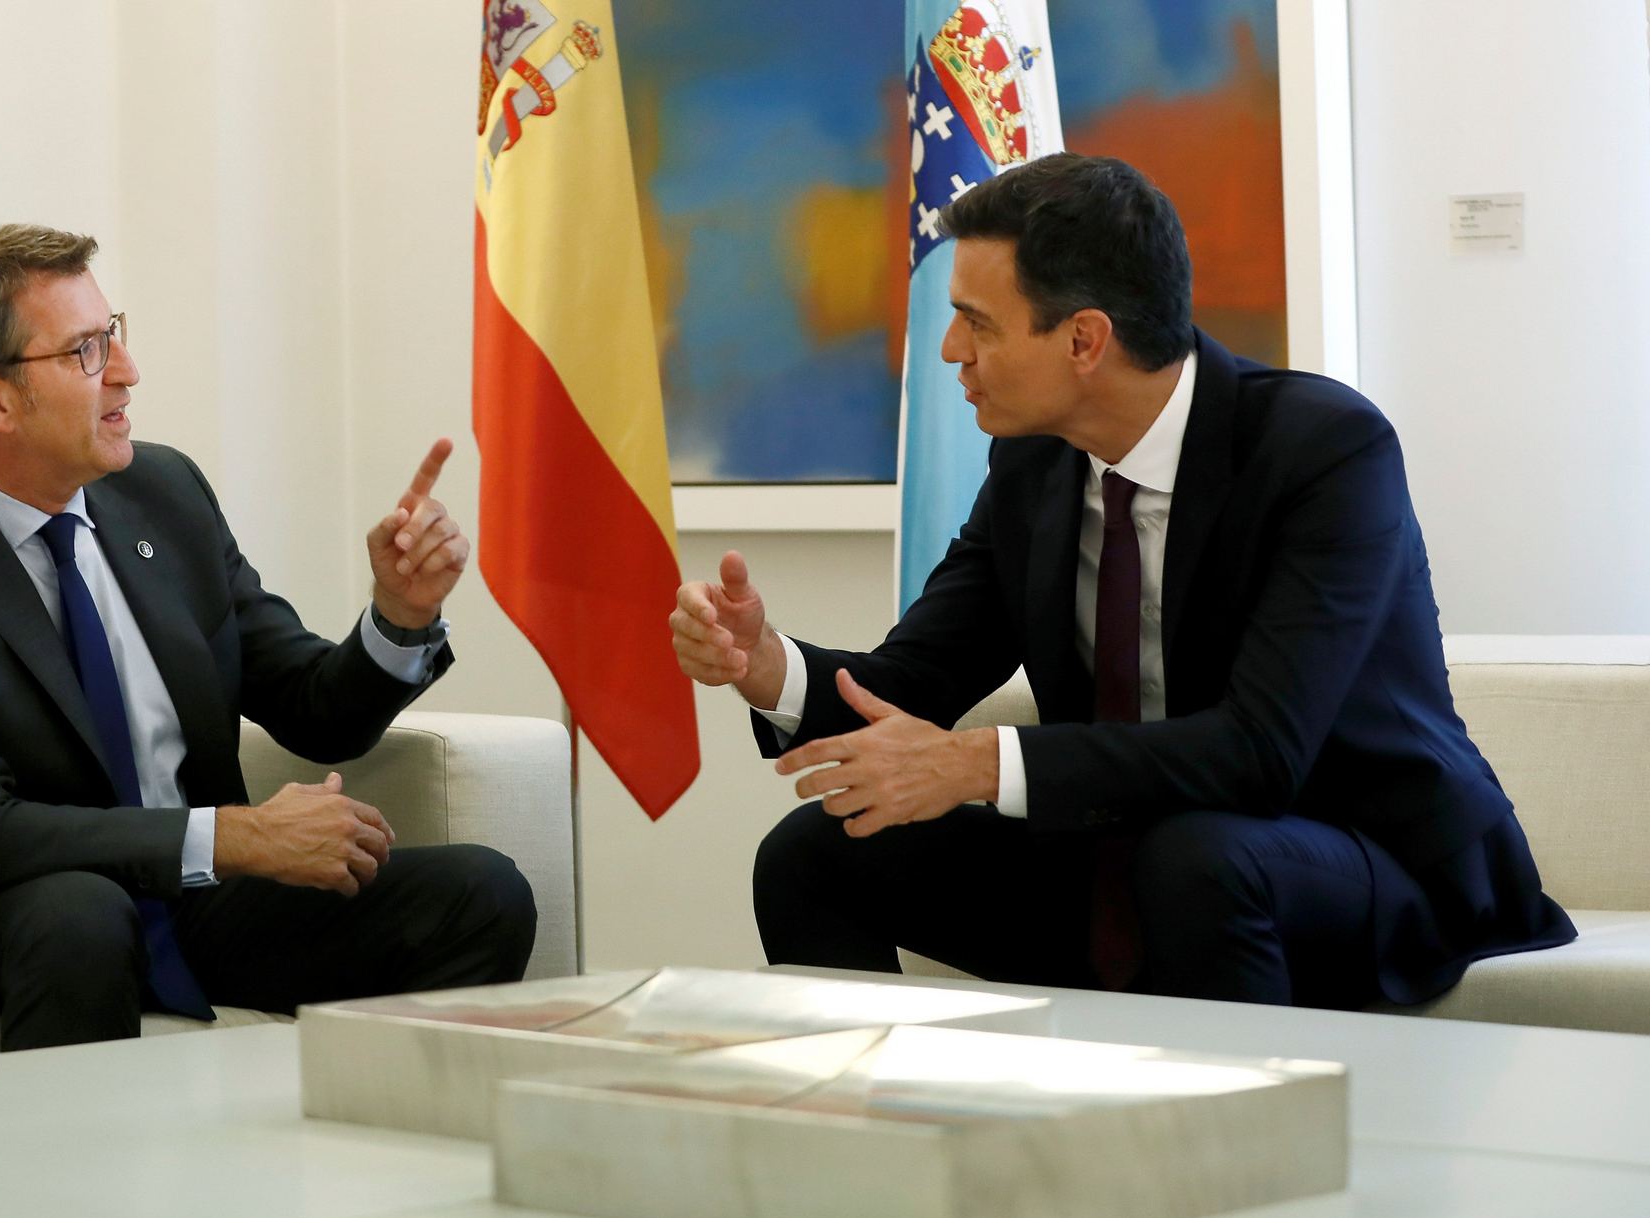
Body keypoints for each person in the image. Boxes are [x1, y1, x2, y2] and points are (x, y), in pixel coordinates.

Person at [670, 154, 1573, 1008]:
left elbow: (1262, 753)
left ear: (1084, 340)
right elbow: (911, 689)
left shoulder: (1323, 451)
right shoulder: (1033, 468)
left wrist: (980, 764)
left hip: (1361, 858)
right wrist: (768, 667)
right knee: (815, 852)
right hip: (1136, 854)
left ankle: (1235, 1166)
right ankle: (880, 1148)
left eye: (977, 322)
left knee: (1198, 862)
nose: (950, 350)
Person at [0, 224, 535, 1051]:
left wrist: (399, 616)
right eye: (85, 351)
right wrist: (233, 836)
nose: (125, 370)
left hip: (200, 897)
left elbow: (312, 711)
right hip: (29, 906)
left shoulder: (164, 492)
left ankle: (383, 1162)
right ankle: (73, 1183)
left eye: (113, 331)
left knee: (483, 892)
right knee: (80, 914)